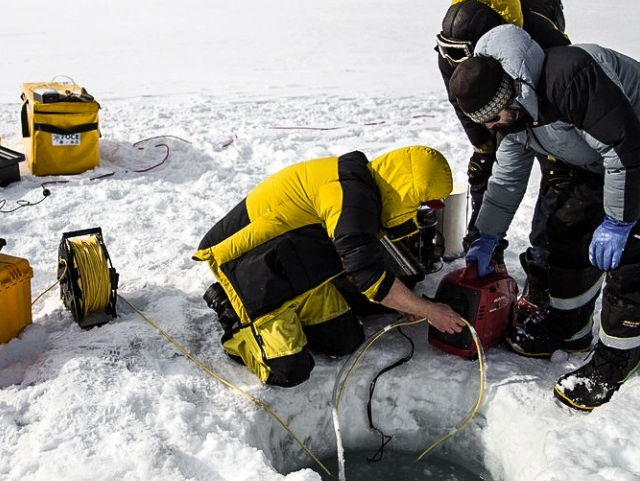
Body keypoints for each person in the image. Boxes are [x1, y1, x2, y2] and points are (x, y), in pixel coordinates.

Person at [448, 24, 640, 410]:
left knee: (626, 258)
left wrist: (618, 222)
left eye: (492, 118)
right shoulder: (513, 115)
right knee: (564, 232)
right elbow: (507, 177)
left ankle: (614, 364)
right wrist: (486, 235)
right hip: (599, 156)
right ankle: (570, 325)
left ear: (511, 94)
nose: (489, 128)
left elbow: (627, 148)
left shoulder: (570, 77)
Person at [193, 146, 463, 387]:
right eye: (419, 203)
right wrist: (428, 310)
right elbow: (369, 278)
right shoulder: (349, 196)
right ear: (406, 190)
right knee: (289, 370)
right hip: (246, 267)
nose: (419, 213)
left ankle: (292, 316)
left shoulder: (364, 191)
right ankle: (230, 308)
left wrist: (405, 303)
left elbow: (356, 260)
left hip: (295, 268)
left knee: (344, 340)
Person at [434, 0, 571, 326]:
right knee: (489, 169)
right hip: (493, 100)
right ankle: (486, 249)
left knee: (558, 179)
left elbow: (561, 95)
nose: (454, 62)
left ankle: (544, 268)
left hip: (542, 107)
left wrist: (556, 150)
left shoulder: (543, 40)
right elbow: (460, 100)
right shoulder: (451, 51)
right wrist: (482, 145)